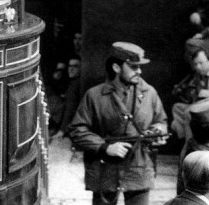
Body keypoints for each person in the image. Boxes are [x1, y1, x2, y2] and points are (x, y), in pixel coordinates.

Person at [69, 42, 168, 205]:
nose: (139, 71)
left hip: (139, 166)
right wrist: (105, 147)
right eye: (134, 67)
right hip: (105, 168)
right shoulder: (94, 96)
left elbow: (161, 121)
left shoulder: (149, 93)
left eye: (139, 67)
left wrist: (157, 131)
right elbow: (77, 130)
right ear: (116, 67)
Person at [52, 55, 83, 139]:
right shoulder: (72, 82)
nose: (71, 69)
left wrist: (62, 130)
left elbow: (70, 108)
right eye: (70, 66)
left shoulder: (76, 85)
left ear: (81, 69)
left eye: (75, 66)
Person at [46, 61, 68, 136]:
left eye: (61, 71)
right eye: (57, 70)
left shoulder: (66, 86)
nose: (59, 73)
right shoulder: (48, 87)